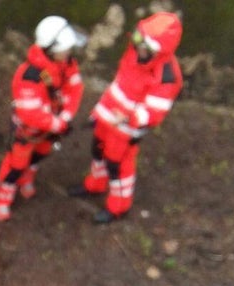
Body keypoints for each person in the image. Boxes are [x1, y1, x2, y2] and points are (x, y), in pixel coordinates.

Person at [72, 11, 183, 224]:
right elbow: (119, 85)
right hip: (111, 116)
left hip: (127, 127)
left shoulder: (166, 77)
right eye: (138, 40)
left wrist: (128, 118)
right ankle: (95, 184)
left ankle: (118, 206)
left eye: (145, 46)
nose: (138, 47)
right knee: (98, 149)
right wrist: (100, 112)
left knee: (117, 165)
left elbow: (154, 112)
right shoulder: (135, 53)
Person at [0, 15, 86, 222]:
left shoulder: (65, 63)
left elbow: (75, 87)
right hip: (29, 131)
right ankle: (1, 199)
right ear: (52, 49)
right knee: (15, 166)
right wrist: (59, 123)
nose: (70, 52)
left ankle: (28, 176)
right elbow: (31, 114)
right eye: (66, 48)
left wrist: (66, 114)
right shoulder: (30, 76)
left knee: (39, 155)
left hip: (51, 128)